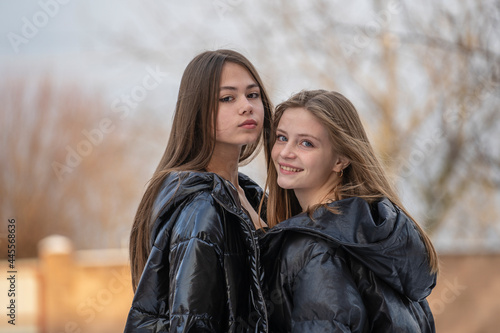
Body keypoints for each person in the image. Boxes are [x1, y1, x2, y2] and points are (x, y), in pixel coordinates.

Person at [260, 90, 439, 332]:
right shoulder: (376, 235)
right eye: (282, 138)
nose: (285, 152)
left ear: (340, 160)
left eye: (306, 143)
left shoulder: (315, 248)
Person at [124, 49, 273, 332]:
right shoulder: (201, 207)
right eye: (227, 98)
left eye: (252, 95)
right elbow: (192, 324)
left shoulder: (248, 195)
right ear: (198, 113)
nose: (246, 106)